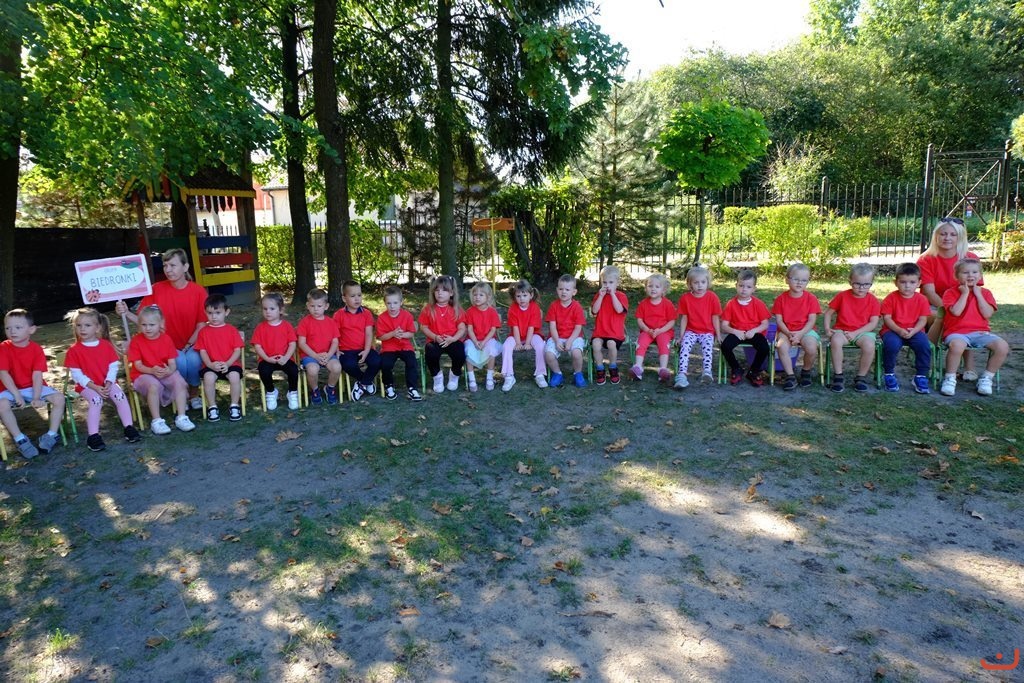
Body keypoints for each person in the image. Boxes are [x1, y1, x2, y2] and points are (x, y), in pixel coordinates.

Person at [115, 248, 207, 409]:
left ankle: (194, 393)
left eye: (173, 265)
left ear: (185, 267)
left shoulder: (198, 291)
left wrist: (188, 345)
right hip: (165, 345)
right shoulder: (156, 289)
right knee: (179, 360)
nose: (168, 270)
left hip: (192, 342)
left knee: (193, 360)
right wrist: (126, 313)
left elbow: (201, 325)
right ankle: (180, 395)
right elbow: (144, 321)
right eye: (165, 266)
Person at [63, 307, 141, 451]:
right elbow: (77, 375)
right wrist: (94, 387)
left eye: (87, 325)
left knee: (119, 396)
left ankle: (129, 428)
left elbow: (113, 366)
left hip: (107, 383)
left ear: (97, 327)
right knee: (96, 400)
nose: (82, 329)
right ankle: (93, 436)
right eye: (79, 325)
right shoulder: (74, 350)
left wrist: (109, 382)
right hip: (87, 386)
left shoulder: (106, 345)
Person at [918, 217, 981, 377]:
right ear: (936, 236)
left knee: (965, 319)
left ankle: (969, 368)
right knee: (940, 318)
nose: (947, 238)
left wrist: (960, 309)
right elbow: (929, 292)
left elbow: (975, 288)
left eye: (953, 234)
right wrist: (948, 310)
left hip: (962, 302)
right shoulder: (926, 259)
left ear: (960, 237)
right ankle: (929, 365)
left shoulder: (970, 258)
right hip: (935, 304)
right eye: (943, 234)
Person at [0, 308, 66, 458]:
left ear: (31, 329)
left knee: (59, 398)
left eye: (18, 327)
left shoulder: (36, 349)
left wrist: (36, 397)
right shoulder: (3, 348)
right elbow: (3, 373)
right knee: (2, 405)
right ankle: (20, 439)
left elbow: (37, 376)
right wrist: (16, 395)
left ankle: (51, 435)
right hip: (9, 388)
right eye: (8, 328)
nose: (12, 331)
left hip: (33, 387)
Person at [939, 258, 1009, 397]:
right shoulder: (950, 293)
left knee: (1002, 346)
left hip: (980, 332)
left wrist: (978, 294)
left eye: (975, 272)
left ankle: (986, 378)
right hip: (957, 332)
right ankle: (950, 378)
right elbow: (956, 312)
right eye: (965, 272)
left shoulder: (986, 293)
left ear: (980, 275)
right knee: (957, 345)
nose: (970, 275)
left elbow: (987, 313)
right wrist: (965, 294)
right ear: (956, 276)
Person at [127, 305, 195, 434]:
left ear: (160, 324)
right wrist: (151, 370)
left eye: (151, 325)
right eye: (144, 325)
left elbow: (172, 363)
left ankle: (182, 417)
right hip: (143, 373)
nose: (147, 328)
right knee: (154, 385)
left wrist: (169, 370)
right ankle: (157, 421)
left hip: (163, 371)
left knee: (179, 381)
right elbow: (138, 366)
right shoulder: (136, 341)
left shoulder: (166, 339)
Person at [824, 263, 881, 393]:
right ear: (850, 281)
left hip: (863, 332)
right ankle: (838, 375)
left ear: (871, 283)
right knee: (836, 341)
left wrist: (855, 333)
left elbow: (873, 323)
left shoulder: (873, 300)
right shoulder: (842, 296)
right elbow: (828, 313)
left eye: (866, 284)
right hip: (842, 330)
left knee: (869, 345)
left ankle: (861, 377)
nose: (861, 287)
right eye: (857, 284)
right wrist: (827, 328)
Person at [879, 263, 932, 394]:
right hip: (893, 330)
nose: (907, 286)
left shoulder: (922, 299)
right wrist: (899, 330)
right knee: (891, 345)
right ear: (896, 282)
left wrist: (914, 330)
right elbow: (887, 318)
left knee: (924, 345)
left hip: (915, 330)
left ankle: (921, 376)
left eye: (912, 282)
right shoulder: (891, 298)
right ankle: (889, 374)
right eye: (903, 282)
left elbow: (923, 319)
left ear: (919, 283)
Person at [771, 263, 822, 390]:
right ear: (787, 280)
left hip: (806, 330)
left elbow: (811, 321)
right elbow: (779, 321)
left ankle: (806, 371)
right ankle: (790, 375)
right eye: (796, 279)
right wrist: (789, 334)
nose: (799, 283)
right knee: (781, 347)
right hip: (786, 330)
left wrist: (799, 334)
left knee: (811, 348)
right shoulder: (780, 299)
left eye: (804, 280)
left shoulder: (811, 299)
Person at [194, 294, 243, 421]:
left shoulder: (232, 330)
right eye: (210, 313)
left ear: (226, 312)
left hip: (231, 364)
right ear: (205, 313)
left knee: (234, 376)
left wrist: (228, 363)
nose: (214, 316)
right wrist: (210, 364)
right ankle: (212, 406)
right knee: (208, 378)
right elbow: (203, 351)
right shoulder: (203, 332)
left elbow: (237, 350)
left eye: (218, 313)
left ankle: (234, 405)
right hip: (211, 365)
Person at [720, 269, 771, 387]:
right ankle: (736, 368)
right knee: (725, 346)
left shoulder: (758, 304)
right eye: (741, 286)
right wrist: (735, 331)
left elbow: (765, 324)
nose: (744, 289)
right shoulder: (731, 304)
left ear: (754, 289)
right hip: (737, 332)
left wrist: (754, 331)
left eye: (748, 287)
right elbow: (724, 325)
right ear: (736, 286)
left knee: (764, 348)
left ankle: (754, 371)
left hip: (754, 333)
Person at [675, 265, 721, 389]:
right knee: (684, 347)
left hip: (707, 331)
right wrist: (681, 336)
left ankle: (707, 372)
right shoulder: (685, 298)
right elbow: (684, 318)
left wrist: (718, 335)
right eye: (696, 283)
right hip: (691, 331)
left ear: (707, 283)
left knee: (708, 348)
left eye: (703, 282)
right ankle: (682, 374)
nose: (700, 285)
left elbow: (715, 317)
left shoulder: (712, 297)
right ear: (690, 284)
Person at [333, 281, 381, 402]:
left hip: (364, 348)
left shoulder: (366, 314)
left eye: (359, 295)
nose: (357, 299)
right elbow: (334, 335)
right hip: (346, 350)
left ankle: (362, 385)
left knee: (377, 361)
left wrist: (367, 350)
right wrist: (336, 350)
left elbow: (369, 333)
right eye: (353, 296)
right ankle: (366, 381)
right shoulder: (339, 315)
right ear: (344, 298)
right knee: (348, 365)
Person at [251, 292, 299, 411]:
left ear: (281, 310)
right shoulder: (260, 328)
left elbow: (292, 344)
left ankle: (292, 393)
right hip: (267, 359)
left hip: (285, 358)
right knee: (263, 371)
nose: (268, 311)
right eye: (265, 309)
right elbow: (257, 346)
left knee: (293, 370)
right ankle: (271, 392)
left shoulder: (287, 326)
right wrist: (267, 358)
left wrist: (286, 357)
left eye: (272, 309)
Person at [419, 275, 467, 394]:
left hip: (452, 339)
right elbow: (423, 327)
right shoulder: (428, 309)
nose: (440, 293)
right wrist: (435, 337)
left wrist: (454, 338)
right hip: (435, 340)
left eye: (444, 290)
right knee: (431, 353)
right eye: (437, 290)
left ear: (451, 293)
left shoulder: (456, 309)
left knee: (460, 353)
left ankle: (454, 375)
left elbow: (462, 328)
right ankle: (437, 377)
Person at [375, 286, 422, 401]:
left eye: (395, 303)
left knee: (412, 362)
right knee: (385, 364)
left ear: (401, 302)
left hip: (405, 346)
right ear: (385, 303)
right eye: (389, 303)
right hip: (389, 348)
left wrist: (402, 335)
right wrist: (392, 334)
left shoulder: (407, 316)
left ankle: (412, 388)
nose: (392, 306)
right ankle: (389, 386)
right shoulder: (382, 318)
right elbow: (381, 337)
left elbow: (411, 333)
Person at [297, 288, 342, 405]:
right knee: (312, 370)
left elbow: (335, 342)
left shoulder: (331, 322)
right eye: (312, 306)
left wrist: (329, 355)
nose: (316, 309)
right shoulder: (304, 322)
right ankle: (315, 390)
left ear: (326, 306)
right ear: (307, 305)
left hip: (328, 354)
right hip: (310, 355)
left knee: (337, 367)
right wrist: (316, 356)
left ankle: (330, 388)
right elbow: (301, 343)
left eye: (319, 306)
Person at [500, 279, 546, 391]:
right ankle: (509, 376)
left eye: (524, 295)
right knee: (506, 346)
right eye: (518, 296)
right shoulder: (513, 308)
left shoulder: (534, 307)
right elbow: (515, 327)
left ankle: (540, 374)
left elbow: (531, 327)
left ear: (531, 295)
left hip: (533, 334)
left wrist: (528, 343)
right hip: (516, 336)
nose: (522, 299)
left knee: (541, 345)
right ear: (515, 297)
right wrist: (518, 343)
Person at [631, 273, 676, 383]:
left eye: (657, 286)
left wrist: (660, 330)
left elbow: (672, 321)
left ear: (663, 290)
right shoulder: (643, 304)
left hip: (663, 331)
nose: (653, 289)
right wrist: (647, 330)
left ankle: (663, 369)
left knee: (664, 343)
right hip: (648, 331)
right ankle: (638, 367)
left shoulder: (667, 304)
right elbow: (639, 320)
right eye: (650, 286)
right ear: (646, 288)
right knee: (641, 342)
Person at [544, 274, 587, 388]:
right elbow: (552, 327)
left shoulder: (577, 307)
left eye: (567, 290)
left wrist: (570, 341)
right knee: (548, 354)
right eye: (561, 289)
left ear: (574, 292)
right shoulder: (553, 306)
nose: (563, 292)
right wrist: (557, 340)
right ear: (557, 290)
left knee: (576, 353)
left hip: (574, 336)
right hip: (556, 336)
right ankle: (557, 373)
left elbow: (578, 327)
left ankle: (578, 373)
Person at [590, 265, 629, 385]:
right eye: (604, 282)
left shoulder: (621, 296)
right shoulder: (599, 295)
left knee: (611, 344)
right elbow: (594, 311)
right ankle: (600, 368)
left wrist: (612, 295)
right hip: (600, 331)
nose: (607, 285)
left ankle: (613, 367)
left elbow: (619, 310)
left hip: (615, 333)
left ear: (617, 283)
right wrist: (601, 296)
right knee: (596, 344)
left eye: (611, 282)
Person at [462, 282, 502, 391]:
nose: (477, 297)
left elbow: (493, 330)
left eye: (481, 295)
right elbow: (469, 329)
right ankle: (471, 378)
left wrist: (484, 342)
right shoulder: (470, 311)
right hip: (473, 338)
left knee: (492, 349)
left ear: (488, 297)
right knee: (468, 349)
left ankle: (489, 377)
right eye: (475, 295)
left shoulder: (492, 312)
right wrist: (475, 342)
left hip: (488, 338)